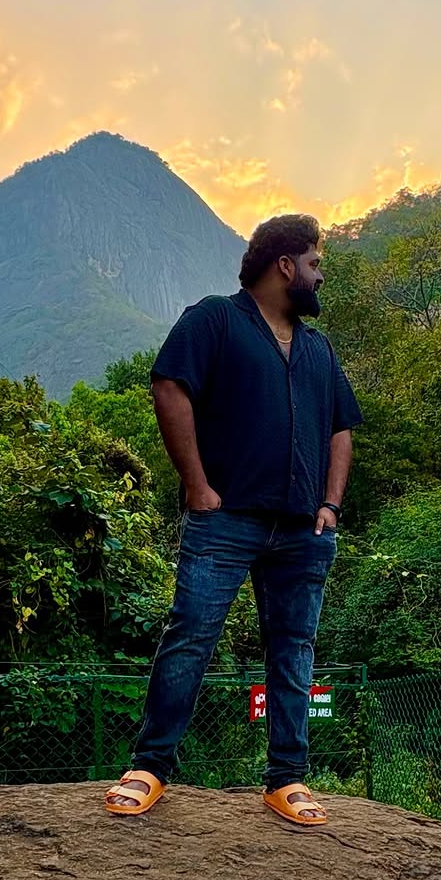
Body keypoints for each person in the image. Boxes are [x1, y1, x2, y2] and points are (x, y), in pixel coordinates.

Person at [105, 214, 363, 825]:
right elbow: (169, 386)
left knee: (294, 649)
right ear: (285, 266)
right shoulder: (215, 319)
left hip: (302, 531)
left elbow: (341, 429)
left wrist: (330, 506)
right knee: (191, 637)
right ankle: (150, 767)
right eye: (315, 264)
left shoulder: (319, 349)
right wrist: (197, 486)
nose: (320, 276)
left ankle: (286, 779)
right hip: (225, 522)